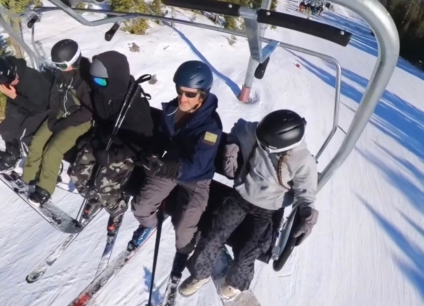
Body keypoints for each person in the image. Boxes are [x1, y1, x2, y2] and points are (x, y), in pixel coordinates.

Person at [180, 110, 319, 301]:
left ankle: (235, 283)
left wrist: (308, 216)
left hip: (268, 210)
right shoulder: (256, 131)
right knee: (213, 234)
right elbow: (238, 128)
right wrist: (232, 147)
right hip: (240, 197)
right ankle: (201, 273)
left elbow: (306, 193)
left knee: (249, 251)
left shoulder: (303, 160)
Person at [130, 60, 223, 279]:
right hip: (169, 167)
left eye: (190, 94)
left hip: (196, 178)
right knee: (141, 207)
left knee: (183, 227)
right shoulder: (173, 110)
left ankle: (183, 251)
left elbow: (199, 164)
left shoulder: (211, 127)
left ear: (202, 95)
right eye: (180, 91)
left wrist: (168, 168)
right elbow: (162, 137)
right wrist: (153, 154)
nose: (182, 98)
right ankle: (150, 224)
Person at [70, 50, 154, 226]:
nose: (97, 85)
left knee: (103, 184)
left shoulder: (135, 106)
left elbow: (142, 143)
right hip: (106, 141)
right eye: (94, 80)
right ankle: (94, 198)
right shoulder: (101, 94)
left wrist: (114, 155)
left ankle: (117, 209)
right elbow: (102, 122)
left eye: (101, 81)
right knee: (78, 172)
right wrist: (93, 139)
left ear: (115, 78)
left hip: (126, 150)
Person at [22, 39, 93, 205]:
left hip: (79, 121)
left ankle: (45, 188)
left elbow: (88, 111)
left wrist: (63, 124)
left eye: (61, 65)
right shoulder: (61, 75)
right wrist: (53, 116)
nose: (59, 68)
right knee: (37, 141)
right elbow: (54, 97)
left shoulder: (85, 80)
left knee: (53, 150)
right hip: (60, 114)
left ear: (74, 61)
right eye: (56, 65)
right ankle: (30, 176)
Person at [0, 56, 50, 170]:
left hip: (45, 109)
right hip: (27, 106)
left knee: (23, 137)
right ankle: (12, 154)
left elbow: (40, 107)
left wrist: (14, 96)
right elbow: (11, 105)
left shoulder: (31, 79)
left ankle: (42, 166)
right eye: (8, 81)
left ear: (13, 68)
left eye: (13, 76)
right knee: (5, 129)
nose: (14, 81)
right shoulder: (8, 82)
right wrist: (13, 103)